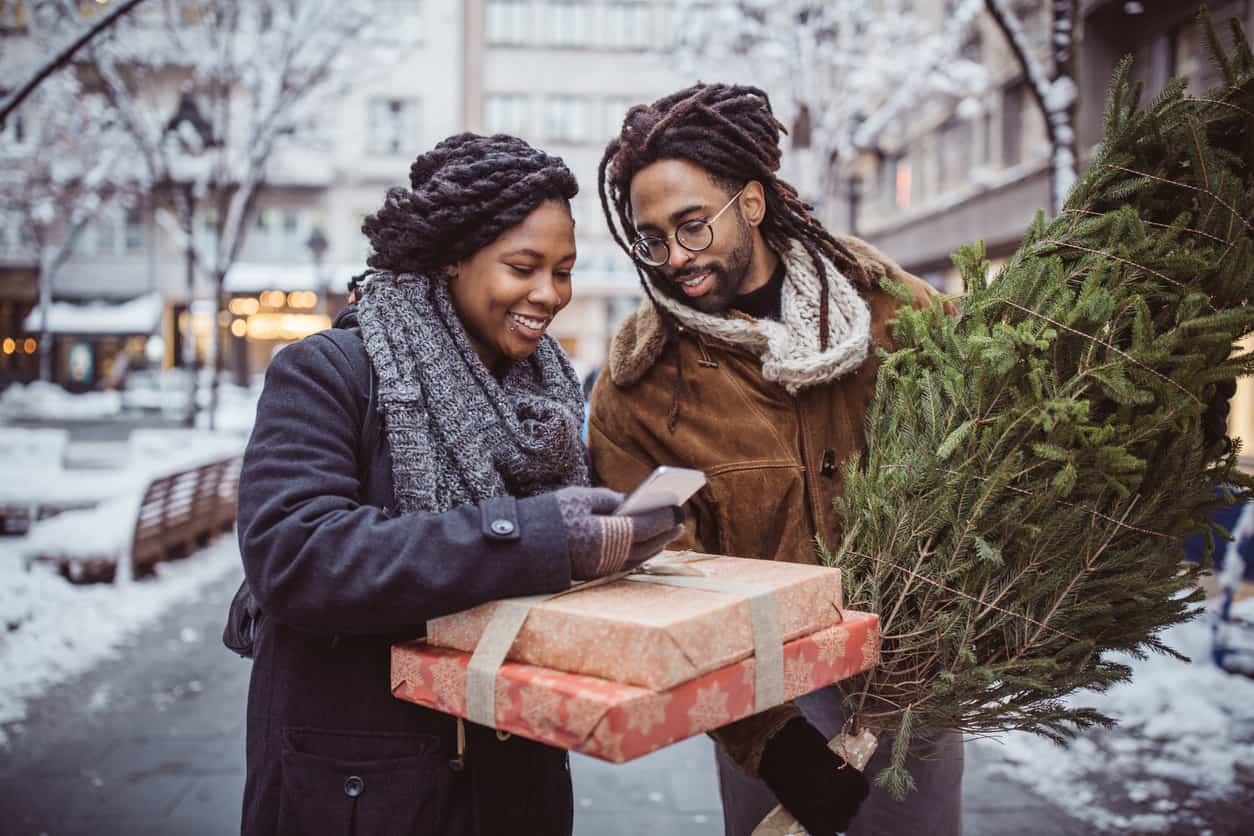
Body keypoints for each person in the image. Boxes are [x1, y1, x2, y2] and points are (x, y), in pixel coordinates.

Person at [236, 133, 683, 836]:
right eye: (523, 267)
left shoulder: (547, 397)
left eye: (564, 271)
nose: (550, 295)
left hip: (513, 789)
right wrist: (539, 535)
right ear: (452, 257)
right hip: (365, 795)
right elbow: (294, 555)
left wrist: (623, 539)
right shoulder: (331, 373)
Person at [587, 85, 963, 836]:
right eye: (651, 238)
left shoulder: (896, 310)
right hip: (765, 699)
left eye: (693, 226)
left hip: (915, 682)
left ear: (751, 203)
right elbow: (659, 581)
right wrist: (771, 740)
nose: (675, 258)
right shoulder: (639, 390)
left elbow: (995, 439)